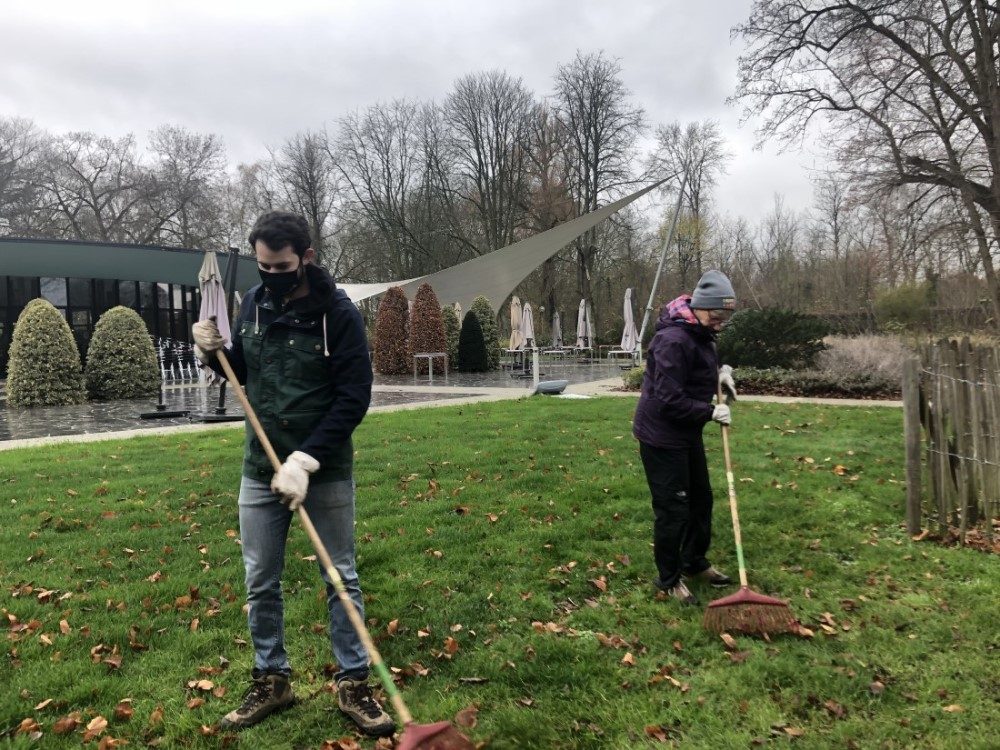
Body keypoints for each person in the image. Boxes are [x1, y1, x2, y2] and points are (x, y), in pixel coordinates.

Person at [192, 211, 394, 737]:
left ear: (305, 257)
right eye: (262, 265)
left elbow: (354, 398)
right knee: (260, 581)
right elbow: (245, 371)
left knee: (339, 577)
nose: (270, 274)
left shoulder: (338, 314)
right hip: (260, 467)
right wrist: (212, 353)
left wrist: (306, 460)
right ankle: (272, 678)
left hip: (320, 468)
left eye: (280, 265)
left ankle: (353, 682)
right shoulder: (255, 304)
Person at [632, 270, 738, 606]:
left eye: (726, 316)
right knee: (673, 509)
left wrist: (719, 378)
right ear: (701, 307)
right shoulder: (673, 340)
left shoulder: (699, 331)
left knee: (701, 500)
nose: (720, 323)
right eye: (717, 315)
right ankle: (668, 579)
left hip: (685, 433)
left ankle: (694, 562)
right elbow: (668, 398)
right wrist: (709, 412)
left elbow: (693, 371)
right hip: (662, 435)